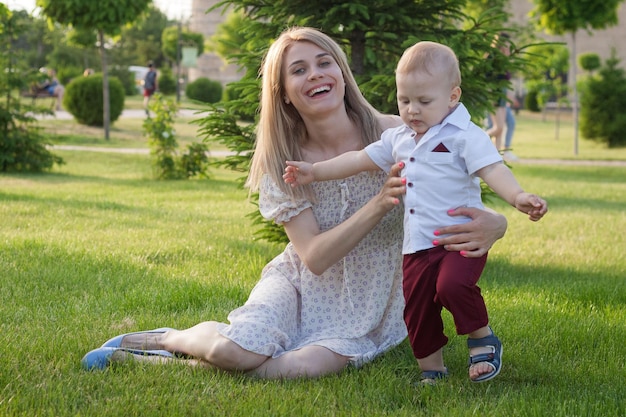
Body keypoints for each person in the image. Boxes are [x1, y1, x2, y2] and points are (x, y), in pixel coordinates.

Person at [81, 27, 508, 381]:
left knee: (295, 369)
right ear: (283, 92)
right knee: (235, 350)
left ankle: (135, 361)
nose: (316, 75)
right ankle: (169, 339)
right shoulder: (282, 164)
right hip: (298, 282)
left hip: (372, 298)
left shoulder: (401, 133)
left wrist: (498, 222)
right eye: (298, 70)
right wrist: (378, 205)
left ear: (341, 74)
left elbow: (469, 186)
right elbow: (315, 258)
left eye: (325, 63)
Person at [283, 41, 548, 383]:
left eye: (424, 101)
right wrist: (314, 171)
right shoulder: (400, 139)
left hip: (460, 237)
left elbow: (493, 170)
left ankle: (482, 338)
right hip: (417, 245)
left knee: (452, 286)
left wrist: (518, 196)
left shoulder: (465, 136)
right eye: (404, 101)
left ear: (453, 97)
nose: (412, 110)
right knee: (418, 309)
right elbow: (359, 159)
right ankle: (432, 369)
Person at [485, 33, 512, 155]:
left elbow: (507, 77)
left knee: (501, 129)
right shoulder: (492, 58)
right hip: (494, 94)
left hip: (502, 94)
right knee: (498, 127)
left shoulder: (504, 58)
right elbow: (488, 77)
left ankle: (497, 156)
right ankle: (481, 139)